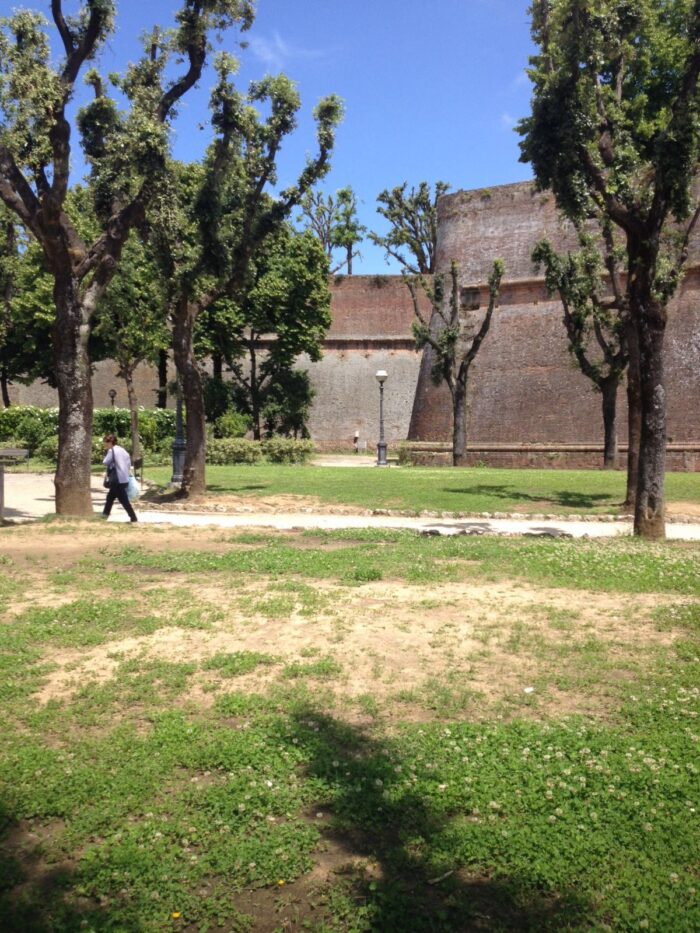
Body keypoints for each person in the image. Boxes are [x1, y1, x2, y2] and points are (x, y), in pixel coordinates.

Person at [102, 434, 138, 522]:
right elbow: (128, 463)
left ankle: (133, 517)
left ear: (110, 442)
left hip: (116, 479)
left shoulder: (112, 451)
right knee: (110, 497)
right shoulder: (122, 450)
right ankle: (104, 515)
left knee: (124, 500)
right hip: (123, 478)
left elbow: (105, 462)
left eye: (106, 442)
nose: (105, 444)